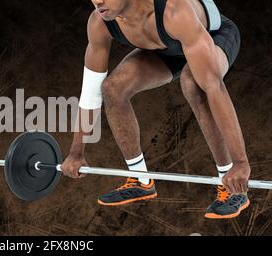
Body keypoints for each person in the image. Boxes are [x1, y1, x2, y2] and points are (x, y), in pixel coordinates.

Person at [61, 0, 251, 219]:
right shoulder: (99, 23)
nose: (98, 1)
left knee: (193, 82)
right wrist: (76, 153)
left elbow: (213, 87)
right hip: (166, 49)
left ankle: (231, 187)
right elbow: (90, 93)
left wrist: (240, 163)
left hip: (212, 37)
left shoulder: (174, 11)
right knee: (113, 89)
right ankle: (140, 180)